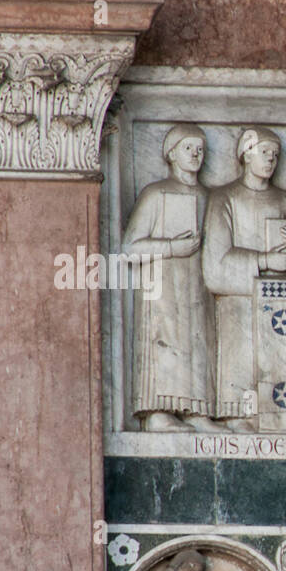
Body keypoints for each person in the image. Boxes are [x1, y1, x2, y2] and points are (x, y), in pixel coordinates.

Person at [202, 126, 286, 429]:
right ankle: (237, 416)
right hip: (239, 304)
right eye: (264, 153)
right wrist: (264, 261)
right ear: (246, 154)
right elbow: (215, 266)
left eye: (275, 155)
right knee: (243, 373)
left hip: (283, 309)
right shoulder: (225, 198)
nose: (271, 160)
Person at [122, 123, 217, 433]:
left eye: (200, 149)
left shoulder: (209, 196)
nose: (195, 154)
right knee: (164, 339)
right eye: (188, 148)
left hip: (199, 283)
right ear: (171, 154)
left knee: (200, 340)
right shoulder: (156, 193)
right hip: (161, 285)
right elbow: (130, 248)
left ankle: (197, 411)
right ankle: (158, 411)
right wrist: (174, 247)